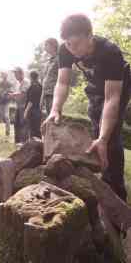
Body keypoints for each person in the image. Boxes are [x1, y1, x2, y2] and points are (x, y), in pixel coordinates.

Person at [42, 13, 130, 201]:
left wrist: (104, 138)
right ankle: (98, 168)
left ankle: (116, 191)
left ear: (90, 36)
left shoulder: (110, 52)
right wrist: (55, 109)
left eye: (77, 44)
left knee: (110, 135)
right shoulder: (65, 50)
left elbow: (112, 99)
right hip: (95, 87)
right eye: (68, 44)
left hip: (118, 87)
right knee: (95, 120)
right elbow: (63, 82)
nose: (72, 50)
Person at [9, 67, 30, 143]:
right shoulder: (18, 83)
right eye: (14, 74)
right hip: (18, 106)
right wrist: (13, 96)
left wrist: (13, 95)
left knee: (23, 124)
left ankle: (24, 142)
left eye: (16, 73)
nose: (15, 75)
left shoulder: (26, 82)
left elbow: (23, 94)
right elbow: (18, 95)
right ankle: (17, 141)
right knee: (16, 123)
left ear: (21, 73)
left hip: (24, 106)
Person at [40, 38, 59, 116]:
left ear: (53, 45)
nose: (44, 47)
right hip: (47, 93)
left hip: (54, 94)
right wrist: (42, 97)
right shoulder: (49, 61)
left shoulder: (60, 59)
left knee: (54, 118)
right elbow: (45, 80)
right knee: (48, 118)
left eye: (46, 45)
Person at [24, 70, 42, 138]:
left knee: (32, 130)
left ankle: (34, 146)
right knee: (37, 129)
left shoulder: (33, 87)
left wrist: (26, 111)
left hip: (33, 111)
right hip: (38, 110)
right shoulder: (40, 86)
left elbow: (31, 101)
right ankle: (38, 145)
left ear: (31, 77)